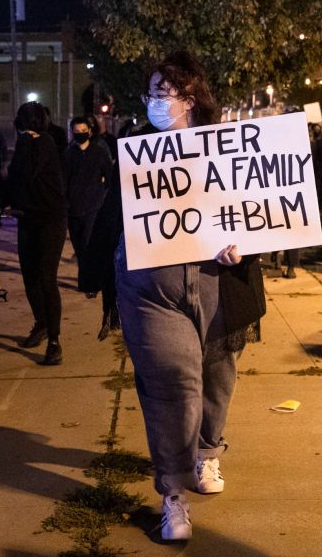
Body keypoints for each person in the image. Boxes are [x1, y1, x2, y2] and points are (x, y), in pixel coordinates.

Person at [115, 51, 265, 542]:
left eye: (164, 94)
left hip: (215, 283)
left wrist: (241, 245)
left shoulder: (227, 151)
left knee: (217, 379)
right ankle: (173, 495)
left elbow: (255, 214)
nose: (154, 104)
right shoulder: (136, 153)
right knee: (173, 385)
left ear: (190, 99)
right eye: (151, 94)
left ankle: (207, 452)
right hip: (152, 290)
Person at [7, 102, 68, 366]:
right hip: (27, 219)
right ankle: (41, 324)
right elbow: (13, 180)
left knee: (46, 278)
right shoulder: (27, 145)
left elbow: (25, 173)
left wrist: (24, 142)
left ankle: (54, 341)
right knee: (29, 277)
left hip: (50, 220)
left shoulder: (44, 143)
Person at [64, 115, 113, 263]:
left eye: (83, 130)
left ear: (90, 131)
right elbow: (64, 180)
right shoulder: (68, 155)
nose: (80, 133)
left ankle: (87, 281)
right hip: (73, 207)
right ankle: (85, 278)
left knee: (87, 244)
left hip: (93, 207)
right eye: (77, 131)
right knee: (78, 245)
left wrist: (101, 197)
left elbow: (109, 177)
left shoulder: (99, 153)